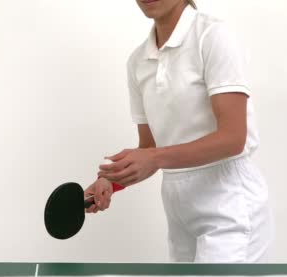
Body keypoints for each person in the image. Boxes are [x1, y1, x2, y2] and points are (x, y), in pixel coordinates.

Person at [86, 0, 274, 263]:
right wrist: (111, 181)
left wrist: (155, 158)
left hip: (228, 201)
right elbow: (148, 149)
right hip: (177, 208)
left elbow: (233, 138)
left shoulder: (213, 37)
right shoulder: (138, 62)